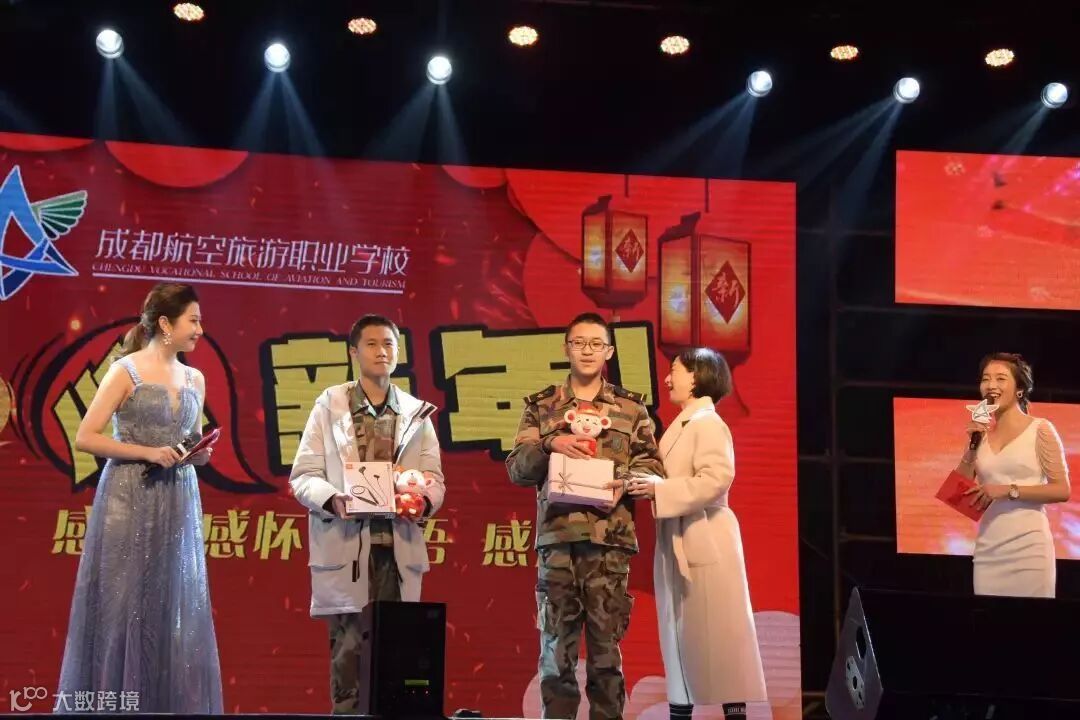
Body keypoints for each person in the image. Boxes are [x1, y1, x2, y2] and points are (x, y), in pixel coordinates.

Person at [57, 283, 223, 713]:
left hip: (179, 498)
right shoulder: (125, 370)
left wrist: (198, 453)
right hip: (129, 495)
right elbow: (86, 437)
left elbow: (189, 440)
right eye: (193, 320)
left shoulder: (195, 378)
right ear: (166, 324)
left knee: (173, 608)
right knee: (124, 604)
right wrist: (148, 452)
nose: (200, 330)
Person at [506, 312, 664, 720]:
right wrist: (550, 445)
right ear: (566, 349)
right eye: (579, 343)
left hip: (609, 546)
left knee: (606, 656)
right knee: (555, 655)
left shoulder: (631, 408)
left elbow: (653, 469)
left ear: (609, 351)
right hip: (558, 543)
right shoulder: (542, 407)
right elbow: (518, 470)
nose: (587, 351)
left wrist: (624, 483)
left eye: (596, 344)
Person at [289, 313, 444, 714]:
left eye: (389, 344)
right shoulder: (330, 407)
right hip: (346, 548)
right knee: (349, 658)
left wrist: (423, 501)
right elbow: (303, 476)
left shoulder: (416, 414)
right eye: (371, 344)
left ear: (399, 352)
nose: (381, 351)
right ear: (353, 353)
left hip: (397, 548)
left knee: (398, 660)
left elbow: (435, 480)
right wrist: (333, 499)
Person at [627, 348, 766, 720]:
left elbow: (716, 478)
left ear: (696, 375)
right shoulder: (685, 423)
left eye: (674, 370)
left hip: (705, 534)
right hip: (679, 534)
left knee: (719, 639)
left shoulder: (707, 423)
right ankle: (682, 712)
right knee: (683, 638)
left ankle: (732, 714)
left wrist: (659, 489)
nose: (667, 379)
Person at [959, 352, 1070, 598]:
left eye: (1000, 378)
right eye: (986, 379)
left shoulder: (1040, 429)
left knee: (1032, 619)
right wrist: (972, 447)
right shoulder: (980, 436)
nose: (991, 385)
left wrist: (1006, 490)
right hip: (988, 549)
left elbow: (1062, 490)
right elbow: (959, 493)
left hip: (1029, 547)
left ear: (1019, 389)